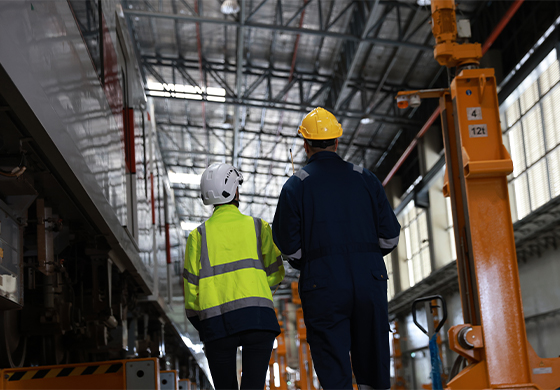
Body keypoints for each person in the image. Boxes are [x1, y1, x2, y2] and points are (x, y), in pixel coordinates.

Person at [272, 107, 401, 390]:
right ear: (337, 141)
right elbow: (390, 237)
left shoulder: (296, 186)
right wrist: (363, 257)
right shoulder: (366, 178)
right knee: (373, 358)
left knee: (332, 362)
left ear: (305, 145)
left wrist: (312, 261)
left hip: (323, 283)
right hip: (370, 279)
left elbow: (288, 245)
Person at [183, 162, 285, 390]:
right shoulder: (258, 227)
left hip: (217, 325)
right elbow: (277, 272)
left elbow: (191, 293)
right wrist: (255, 292)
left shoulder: (197, 236)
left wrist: (204, 324)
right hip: (259, 320)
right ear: (234, 191)